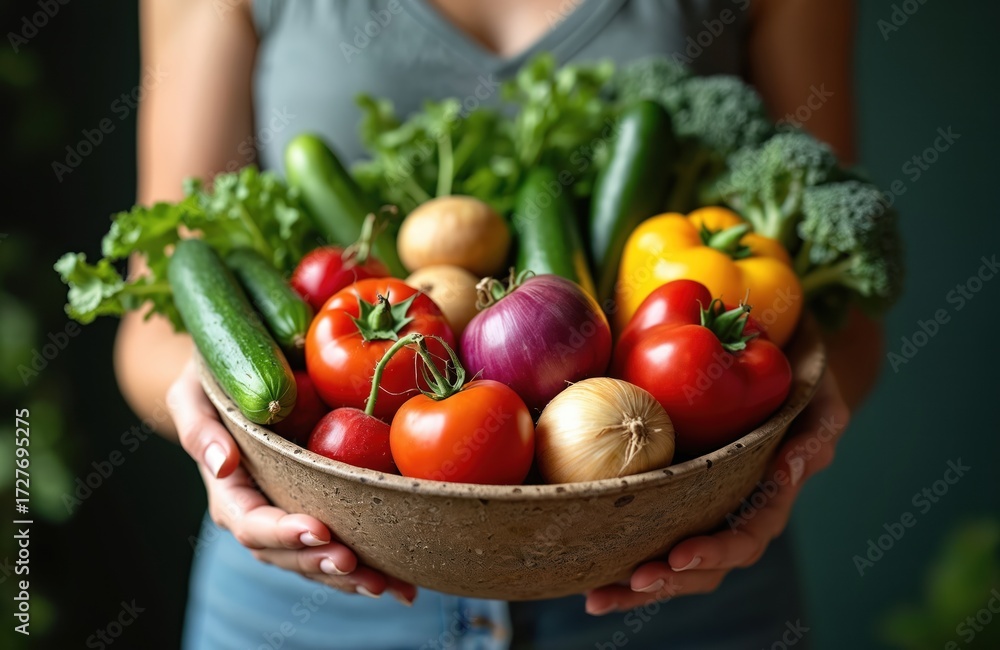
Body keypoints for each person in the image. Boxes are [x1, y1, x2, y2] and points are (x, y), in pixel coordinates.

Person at [116, 0, 878, 647]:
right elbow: (154, 325)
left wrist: (794, 450)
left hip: (684, 592)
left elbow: (837, 300)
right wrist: (208, 422)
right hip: (309, 602)